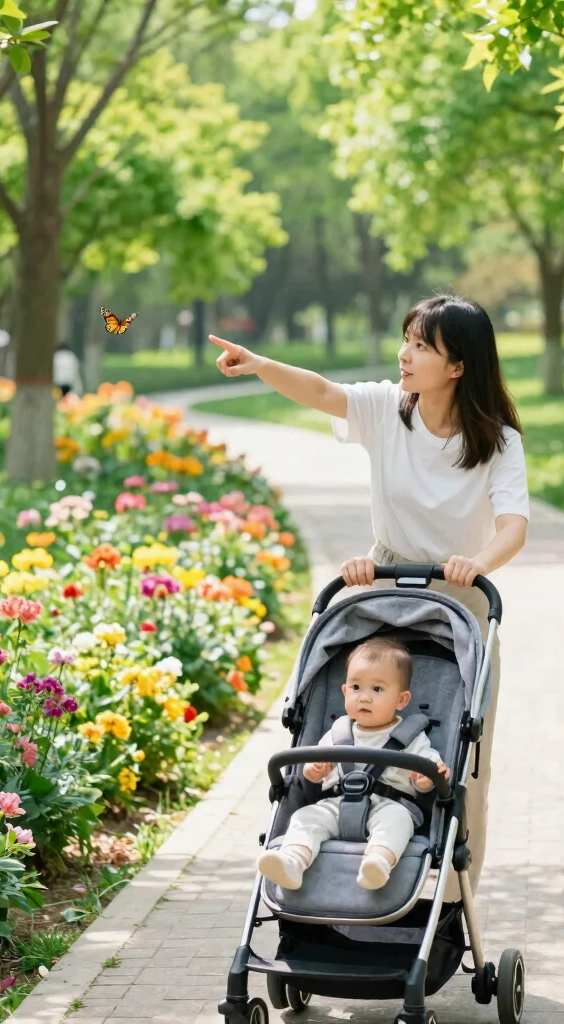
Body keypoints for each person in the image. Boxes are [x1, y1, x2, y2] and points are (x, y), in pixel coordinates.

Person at [210, 293, 529, 898]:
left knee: (467, 762)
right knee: (348, 725)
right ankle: (331, 869)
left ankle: (450, 901)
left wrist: (477, 563)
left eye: (421, 346)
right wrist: (258, 364)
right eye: (406, 339)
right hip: (383, 592)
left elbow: (512, 527)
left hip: (463, 600)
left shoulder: (498, 441)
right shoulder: (388, 408)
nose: (404, 354)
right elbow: (322, 391)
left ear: (458, 365)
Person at [257, 637, 450, 892]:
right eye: (356, 687)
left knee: (397, 822)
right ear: (344, 691)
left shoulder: (412, 737)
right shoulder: (337, 733)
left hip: (390, 804)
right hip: (337, 803)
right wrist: (314, 771)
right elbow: (314, 773)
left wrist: (426, 779)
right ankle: (292, 862)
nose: (364, 698)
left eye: (377, 689)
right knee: (306, 817)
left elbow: (428, 774)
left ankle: (378, 863)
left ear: (401, 700)